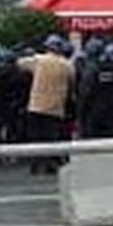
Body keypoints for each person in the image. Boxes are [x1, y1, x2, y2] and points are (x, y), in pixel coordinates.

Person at [17, 35, 75, 174]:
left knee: (36, 137)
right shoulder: (67, 65)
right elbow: (72, 82)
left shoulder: (38, 60)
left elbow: (19, 63)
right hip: (55, 108)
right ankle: (50, 165)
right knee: (51, 138)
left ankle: (36, 165)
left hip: (36, 105)